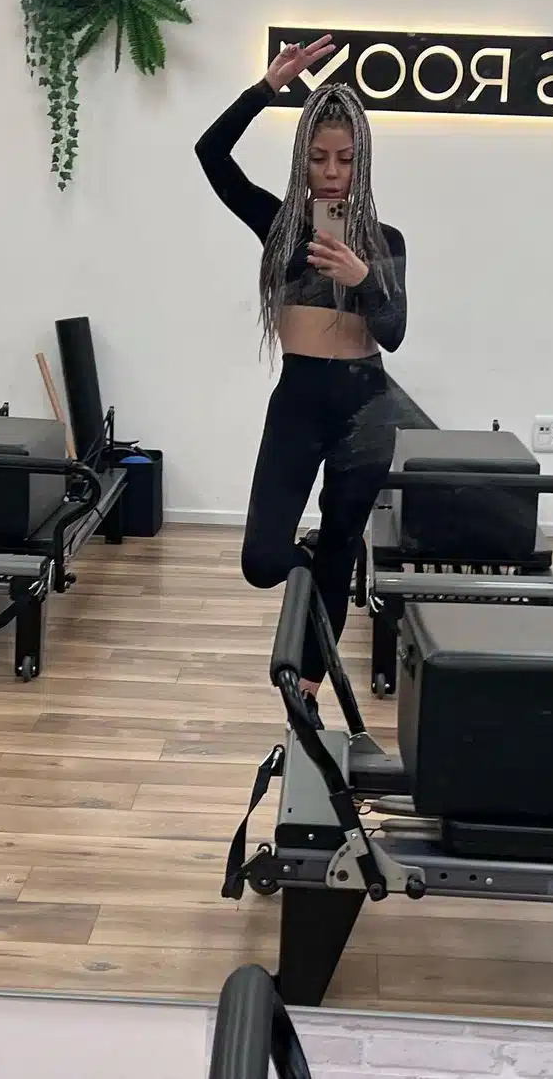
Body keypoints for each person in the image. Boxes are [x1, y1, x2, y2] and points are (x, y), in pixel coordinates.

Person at [195, 36, 407, 725]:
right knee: (262, 561)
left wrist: (364, 277)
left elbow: (395, 332)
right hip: (298, 402)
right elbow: (210, 154)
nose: (332, 173)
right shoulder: (280, 229)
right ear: (302, 159)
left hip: (365, 410)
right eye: (319, 158)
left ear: (362, 161)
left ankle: (308, 695)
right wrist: (266, 89)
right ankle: (316, 562)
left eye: (344, 159)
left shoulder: (386, 241)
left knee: (342, 552)